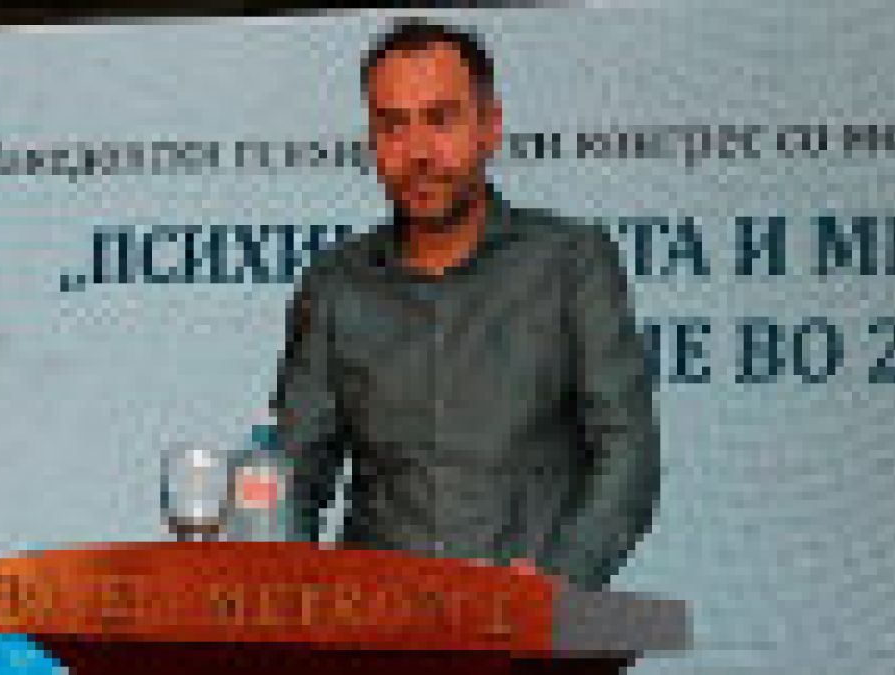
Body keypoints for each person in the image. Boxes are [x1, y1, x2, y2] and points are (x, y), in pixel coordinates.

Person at [271, 18, 661, 595]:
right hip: (377, 623)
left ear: (489, 128)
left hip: (531, 621)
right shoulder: (335, 286)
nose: (418, 152)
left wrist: (558, 584)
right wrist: (291, 601)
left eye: (440, 119)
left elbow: (628, 456)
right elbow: (294, 477)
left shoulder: (570, 263)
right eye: (392, 126)